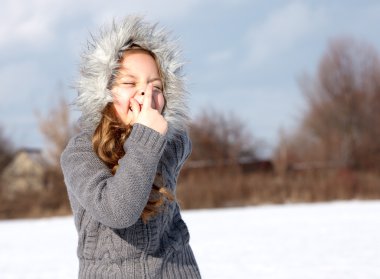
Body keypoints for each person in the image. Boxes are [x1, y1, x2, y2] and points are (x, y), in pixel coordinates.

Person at [60, 15, 202, 278]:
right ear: (103, 92)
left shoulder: (169, 145)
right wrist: (145, 138)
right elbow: (118, 211)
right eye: (129, 83)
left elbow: (181, 142)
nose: (146, 94)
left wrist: (150, 136)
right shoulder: (80, 153)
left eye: (156, 86)